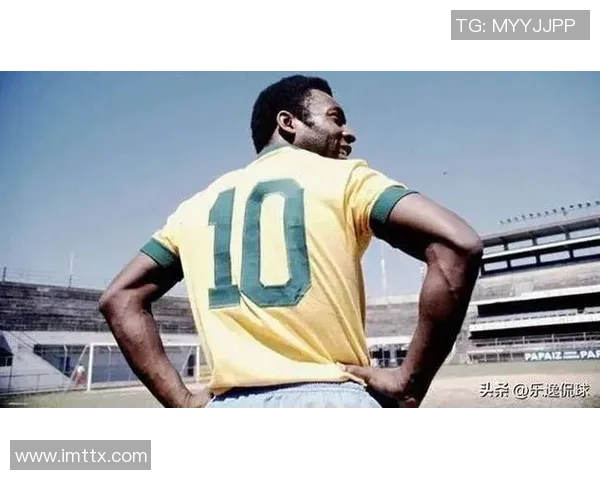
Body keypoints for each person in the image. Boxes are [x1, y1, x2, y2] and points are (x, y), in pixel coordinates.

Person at [99, 75, 483, 408]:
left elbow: (120, 297)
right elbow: (457, 243)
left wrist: (182, 402)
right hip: (331, 400)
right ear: (288, 123)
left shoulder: (195, 208)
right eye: (335, 118)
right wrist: (410, 382)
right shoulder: (346, 179)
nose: (349, 132)